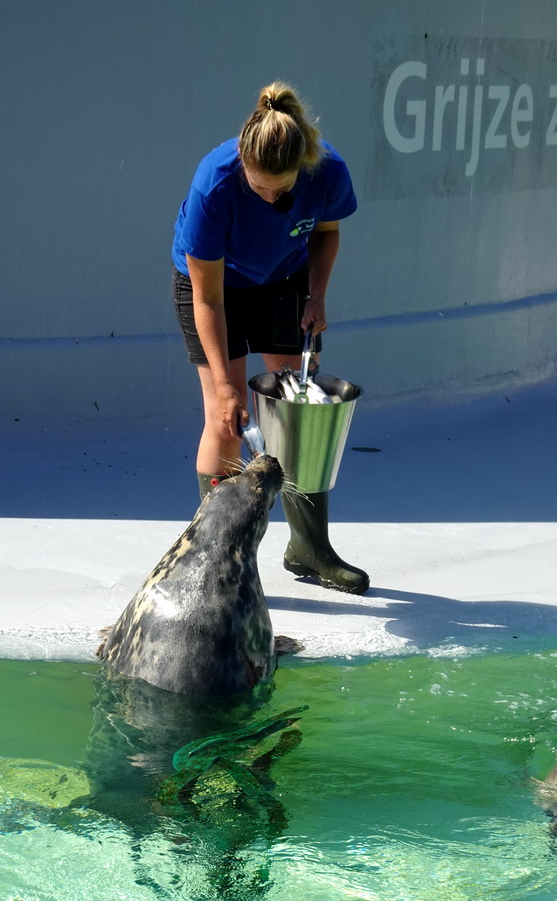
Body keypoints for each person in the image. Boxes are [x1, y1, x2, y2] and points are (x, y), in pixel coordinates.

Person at [171, 81, 369, 595]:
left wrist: (318, 295)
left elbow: (325, 233)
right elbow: (208, 299)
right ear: (241, 162)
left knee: (299, 413)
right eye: (259, 188)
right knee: (226, 419)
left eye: (280, 189)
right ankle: (214, 563)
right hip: (216, 289)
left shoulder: (327, 170)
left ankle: (309, 549)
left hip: (284, 279)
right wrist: (225, 386)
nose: (271, 196)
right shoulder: (213, 185)